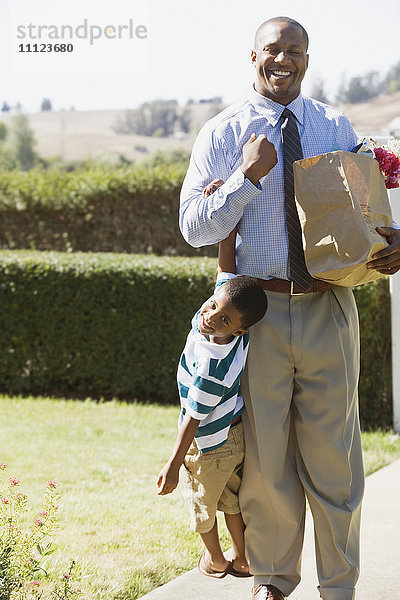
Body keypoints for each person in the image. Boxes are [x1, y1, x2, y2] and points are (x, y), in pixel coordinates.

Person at [179, 15, 400, 600]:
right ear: (252, 57)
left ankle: (340, 586)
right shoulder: (224, 134)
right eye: (273, 50)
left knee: (336, 459)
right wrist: (245, 179)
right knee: (267, 462)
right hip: (259, 318)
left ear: (307, 57)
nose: (285, 60)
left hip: (330, 307)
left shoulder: (334, 126)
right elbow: (193, 228)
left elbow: (369, 210)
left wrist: (390, 240)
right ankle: (274, 580)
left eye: (295, 51)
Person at [157, 274, 268, 579]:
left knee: (201, 502)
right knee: (231, 499)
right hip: (233, 435)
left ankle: (217, 560)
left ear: (238, 329)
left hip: (207, 445)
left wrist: (174, 464)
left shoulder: (211, 368)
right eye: (212, 306)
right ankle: (242, 559)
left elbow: (193, 418)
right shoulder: (232, 328)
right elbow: (226, 278)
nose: (210, 318)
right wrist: (228, 235)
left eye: (223, 319)